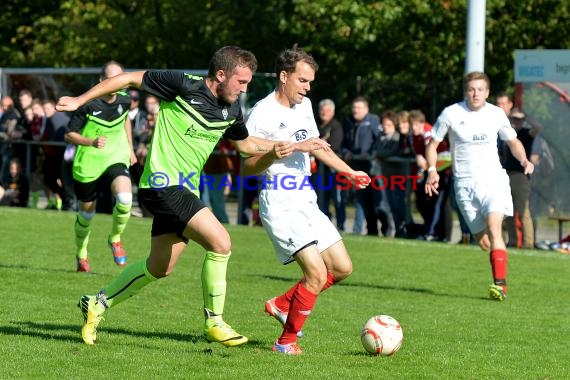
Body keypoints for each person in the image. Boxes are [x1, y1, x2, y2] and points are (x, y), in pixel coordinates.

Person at [56, 46, 328, 347]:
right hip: (162, 184)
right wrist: (80, 99)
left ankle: (97, 303)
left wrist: (286, 146)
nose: (244, 89)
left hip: (184, 190)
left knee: (160, 267)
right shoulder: (183, 85)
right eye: (241, 82)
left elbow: (246, 145)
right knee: (221, 242)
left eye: (248, 83)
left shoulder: (232, 109)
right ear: (221, 75)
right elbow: (128, 79)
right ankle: (214, 321)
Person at [243, 46, 371, 355]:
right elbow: (247, 163)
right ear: (284, 77)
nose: (307, 87)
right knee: (315, 274)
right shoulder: (262, 112)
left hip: (306, 201)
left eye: (310, 82)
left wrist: (349, 172)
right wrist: (274, 152)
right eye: (302, 81)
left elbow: (316, 146)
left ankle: (283, 303)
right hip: (280, 202)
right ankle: (285, 342)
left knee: (341, 268)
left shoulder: (305, 105)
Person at [425, 71, 534, 301]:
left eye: (480, 89)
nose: (476, 94)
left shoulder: (496, 114)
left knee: (495, 228)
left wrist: (524, 160)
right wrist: (432, 170)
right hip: (464, 184)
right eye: (471, 89)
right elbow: (432, 144)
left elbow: (513, 141)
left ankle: (500, 286)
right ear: (466, 91)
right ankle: (496, 263)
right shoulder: (451, 113)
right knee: (484, 242)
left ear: (487, 92)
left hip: (493, 180)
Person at [64, 60, 137, 273]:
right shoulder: (88, 103)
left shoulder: (125, 99)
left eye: (120, 78)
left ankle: (115, 239)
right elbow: (69, 134)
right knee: (86, 215)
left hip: (116, 156)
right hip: (88, 162)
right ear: (101, 81)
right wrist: (91, 142)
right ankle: (81, 253)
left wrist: (130, 149)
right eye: (112, 79)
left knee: (125, 199)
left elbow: (126, 121)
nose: (117, 83)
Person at [342, 96, 381, 236]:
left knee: (376, 202)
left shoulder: (374, 121)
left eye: (358, 108)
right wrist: (346, 152)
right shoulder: (349, 122)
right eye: (354, 107)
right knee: (361, 200)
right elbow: (345, 144)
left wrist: (371, 154)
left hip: (371, 167)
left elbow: (379, 140)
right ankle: (366, 231)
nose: (355, 110)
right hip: (356, 167)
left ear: (366, 109)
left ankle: (378, 230)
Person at [315, 98, 346, 231]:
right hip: (318, 170)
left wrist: (317, 144)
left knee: (337, 199)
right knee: (321, 199)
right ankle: (324, 226)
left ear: (332, 112)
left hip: (333, 170)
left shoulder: (336, 126)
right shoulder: (315, 125)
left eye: (327, 110)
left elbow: (333, 146)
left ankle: (341, 226)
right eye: (322, 109)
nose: (324, 112)